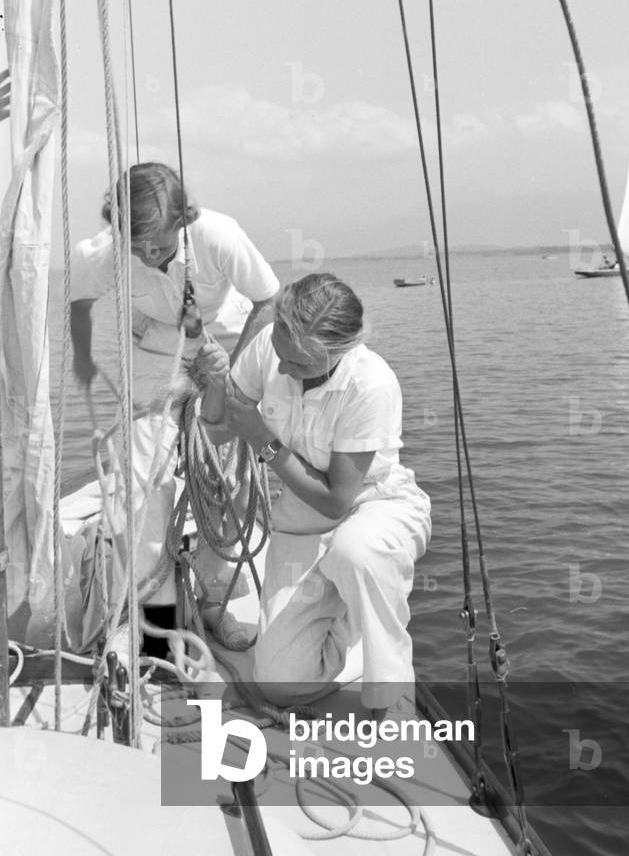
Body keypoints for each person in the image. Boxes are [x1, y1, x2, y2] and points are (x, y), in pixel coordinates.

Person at [197, 273, 431, 714]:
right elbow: (221, 431)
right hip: (302, 517)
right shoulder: (271, 344)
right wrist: (214, 383)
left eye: (299, 365)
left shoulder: (371, 385)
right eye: (282, 357)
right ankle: (342, 617)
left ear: (339, 352)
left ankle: (392, 687)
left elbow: (337, 499)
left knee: (356, 553)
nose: (283, 370)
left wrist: (264, 440)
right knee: (280, 686)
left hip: (374, 506)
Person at [69, 162, 279, 633]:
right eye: (137, 247)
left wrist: (234, 368)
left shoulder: (219, 235)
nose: (148, 254)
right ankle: (156, 625)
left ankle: (214, 600)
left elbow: (269, 300)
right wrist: (82, 357)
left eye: (160, 246)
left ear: (183, 220)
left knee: (226, 480)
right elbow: (78, 302)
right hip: (154, 349)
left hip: (226, 337)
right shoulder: (101, 253)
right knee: (141, 485)